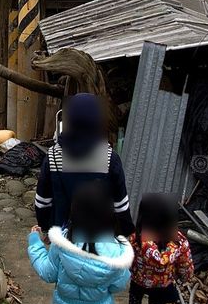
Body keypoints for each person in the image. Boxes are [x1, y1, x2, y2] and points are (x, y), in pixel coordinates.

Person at [34, 93, 134, 237]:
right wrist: (127, 234)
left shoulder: (53, 156)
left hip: (62, 239)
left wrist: (46, 227)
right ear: (97, 120)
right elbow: (121, 206)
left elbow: (42, 202)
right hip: (101, 240)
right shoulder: (109, 158)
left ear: (69, 120)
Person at [127, 193, 194, 304]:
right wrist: (185, 276)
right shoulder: (178, 241)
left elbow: (128, 257)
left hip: (139, 278)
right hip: (162, 284)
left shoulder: (136, 238)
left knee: (135, 296)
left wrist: (129, 269)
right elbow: (185, 265)